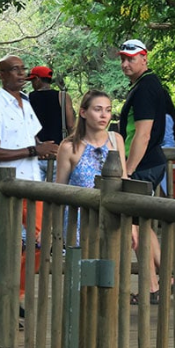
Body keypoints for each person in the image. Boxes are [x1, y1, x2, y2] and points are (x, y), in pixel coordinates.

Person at [0, 55, 59, 307]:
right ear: (2, 75)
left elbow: (33, 139)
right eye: (14, 70)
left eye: (22, 69)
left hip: (32, 182)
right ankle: (7, 297)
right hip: (11, 185)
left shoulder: (26, 102)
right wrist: (34, 150)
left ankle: (15, 295)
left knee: (39, 241)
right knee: (20, 243)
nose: (20, 74)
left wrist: (46, 149)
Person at [117, 39, 169, 303]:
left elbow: (143, 134)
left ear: (144, 58)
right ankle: (166, 279)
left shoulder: (146, 88)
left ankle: (151, 287)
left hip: (143, 165)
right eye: (123, 59)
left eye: (131, 58)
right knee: (143, 225)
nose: (126, 63)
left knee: (134, 228)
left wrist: (127, 170)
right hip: (150, 162)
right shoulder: (146, 84)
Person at [55, 90, 128, 244]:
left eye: (108, 110)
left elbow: (124, 179)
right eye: (97, 109)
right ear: (83, 112)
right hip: (78, 221)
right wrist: (53, 227)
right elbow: (59, 190)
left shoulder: (116, 140)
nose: (104, 115)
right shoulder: (69, 147)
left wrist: (131, 225)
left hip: (111, 217)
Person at [28, 65, 75, 181]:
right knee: (57, 191)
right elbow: (71, 125)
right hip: (58, 153)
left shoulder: (28, 98)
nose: (32, 84)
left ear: (37, 79)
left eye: (32, 80)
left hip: (37, 155)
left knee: (33, 191)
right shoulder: (62, 97)